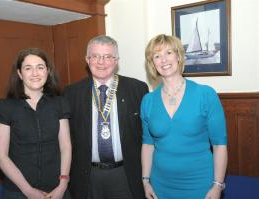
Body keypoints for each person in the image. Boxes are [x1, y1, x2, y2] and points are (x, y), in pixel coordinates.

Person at [141, 34, 228, 199]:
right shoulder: (148, 101)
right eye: (157, 56)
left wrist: (217, 185)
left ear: (179, 56)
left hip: (200, 184)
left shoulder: (205, 94)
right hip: (160, 186)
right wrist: (145, 181)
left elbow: (219, 145)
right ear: (152, 63)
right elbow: (148, 145)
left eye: (168, 53)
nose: (163, 60)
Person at [63, 35, 148, 199]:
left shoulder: (138, 89)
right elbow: (67, 139)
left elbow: (146, 136)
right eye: (95, 56)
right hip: (86, 176)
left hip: (125, 174)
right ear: (87, 60)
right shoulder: (71, 93)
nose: (101, 62)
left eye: (108, 56)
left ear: (116, 60)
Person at [0, 48, 71, 199]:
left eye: (40, 67)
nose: (35, 73)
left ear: (47, 71)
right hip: (18, 191)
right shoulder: (4, 107)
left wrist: (63, 184)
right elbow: (1, 156)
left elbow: (65, 146)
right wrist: (28, 191)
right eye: (28, 68)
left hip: (57, 189)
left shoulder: (60, 103)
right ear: (20, 74)